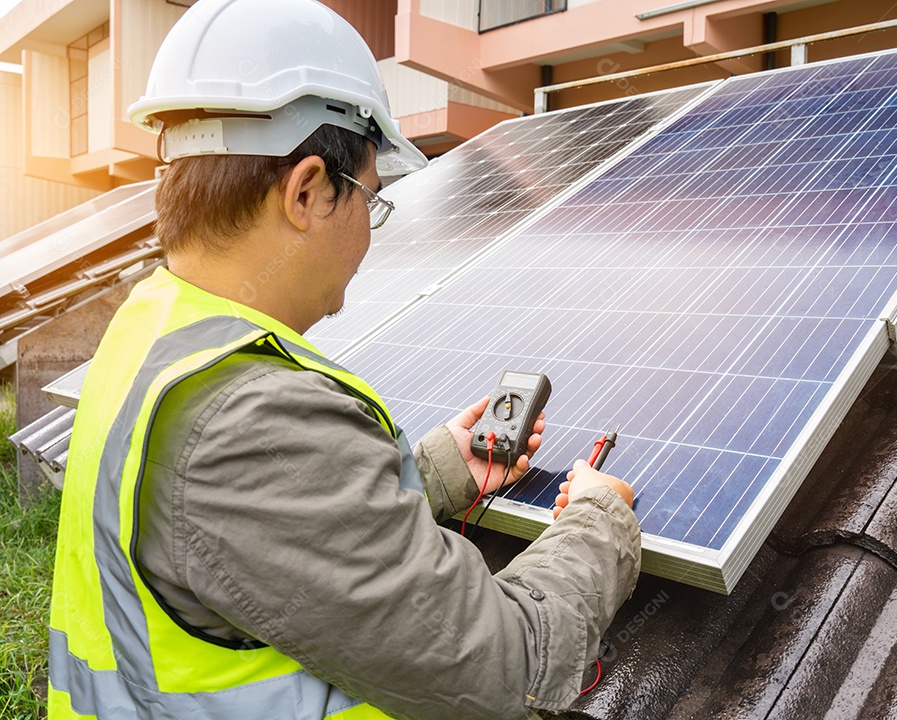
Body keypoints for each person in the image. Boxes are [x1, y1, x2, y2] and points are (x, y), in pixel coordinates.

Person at [47, 1, 640, 718]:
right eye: (371, 200)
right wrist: (596, 524)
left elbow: (261, 542)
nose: (370, 231)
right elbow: (504, 667)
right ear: (306, 191)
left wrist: (437, 473)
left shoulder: (155, 330)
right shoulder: (250, 414)